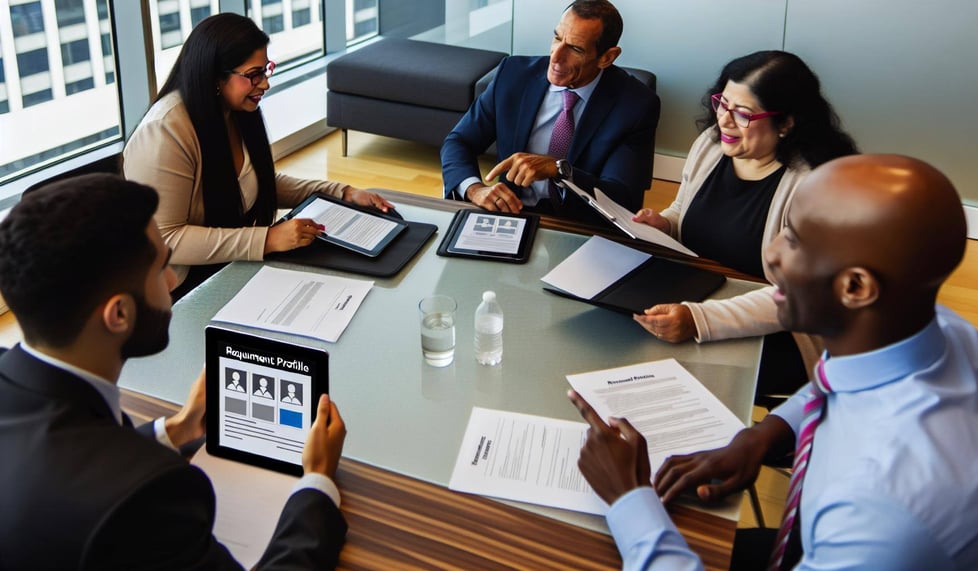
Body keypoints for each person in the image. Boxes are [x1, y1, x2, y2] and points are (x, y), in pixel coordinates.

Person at [571, 155, 978, 570]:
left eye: (792, 239)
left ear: (855, 287)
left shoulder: (884, 509)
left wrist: (629, 499)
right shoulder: (938, 330)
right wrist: (762, 436)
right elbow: (837, 383)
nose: (771, 254)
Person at [0, 174, 349, 569]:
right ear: (119, 314)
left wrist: (178, 429)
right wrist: (317, 483)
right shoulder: (148, 494)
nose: (171, 281)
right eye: (163, 267)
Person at [631, 51, 857, 403]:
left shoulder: (815, 184)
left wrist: (698, 320)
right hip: (697, 296)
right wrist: (664, 224)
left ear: (786, 123)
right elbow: (682, 211)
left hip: (778, 328)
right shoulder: (710, 145)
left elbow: (794, 296)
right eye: (723, 103)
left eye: (744, 114)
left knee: (659, 374)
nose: (724, 120)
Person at [124, 14, 392, 300]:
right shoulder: (166, 131)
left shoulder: (234, 111)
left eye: (265, 71)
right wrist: (268, 239)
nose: (264, 84)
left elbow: (256, 183)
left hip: (227, 265)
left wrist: (342, 193)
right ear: (215, 77)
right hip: (178, 291)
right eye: (253, 75)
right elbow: (168, 239)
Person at [440, 0, 660, 224]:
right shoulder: (512, 74)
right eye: (557, 38)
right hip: (510, 214)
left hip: (581, 224)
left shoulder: (636, 105)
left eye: (575, 49)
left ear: (607, 57)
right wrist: (475, 189)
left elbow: (623, 197)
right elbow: (459, 141)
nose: (555, 57)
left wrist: (559, 170)